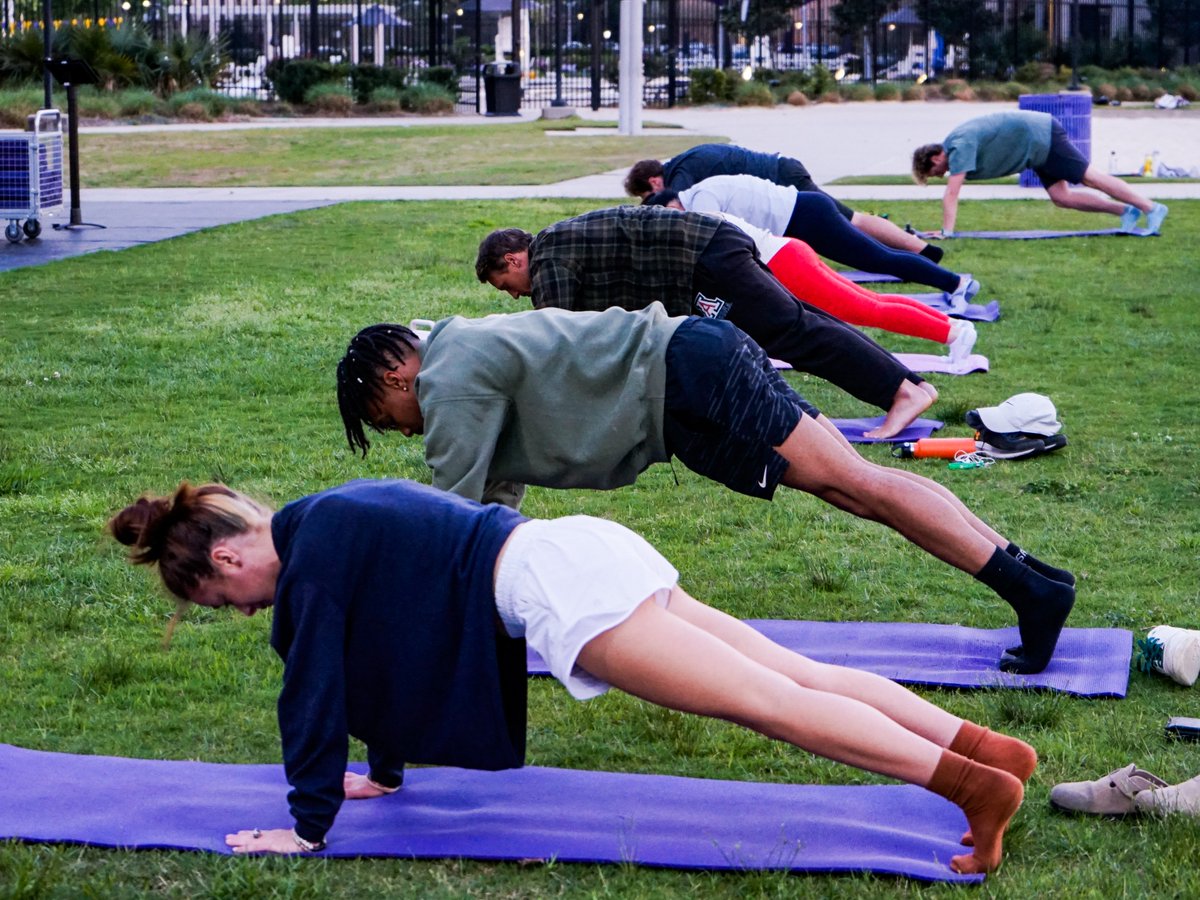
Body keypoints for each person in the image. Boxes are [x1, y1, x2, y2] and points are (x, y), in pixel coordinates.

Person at [109, 476, 1035, 873]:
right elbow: (380, 667)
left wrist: (307, 828)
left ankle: (972, 788)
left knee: (773, 705)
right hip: (581, 547)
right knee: (798, 671)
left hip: (555, 585)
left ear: (227, 563)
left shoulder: (311, 568)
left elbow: (312, 693)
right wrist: (384, 775)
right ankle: (985, 746)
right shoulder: (325, 520)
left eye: (232, 603)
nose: (249, 613)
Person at [335, 305, 1076, 675]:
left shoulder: (449, 377)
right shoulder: (465, 357)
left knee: (859, 486)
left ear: (396, 377)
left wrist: (410, 623)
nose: (401, 431)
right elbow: (490, 514)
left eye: (384, 417)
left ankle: (1029, 589)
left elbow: (451, 519)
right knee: (860, 487)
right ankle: (1032, 579)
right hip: (692, 367)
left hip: (689, 381)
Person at [474, 204, 938, 440]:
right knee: (798, 322)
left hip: (706, 258)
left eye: (507, 284)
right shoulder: (563, 243)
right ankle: (907, 385)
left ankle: (902, 392)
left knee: (791, 331)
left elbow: (556, 331)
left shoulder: (550, 251)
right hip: (706, 255)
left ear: (515, 259)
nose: (515, 295)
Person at [646, 201, 978, 360]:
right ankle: (952, 328)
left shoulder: (693, 221)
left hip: (784, 261)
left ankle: (952, 332)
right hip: (788, 252)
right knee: (869, 302)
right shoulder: (697, 216)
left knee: (865, 310)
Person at [643, 175, 979, 307]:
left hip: (805, 215)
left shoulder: (700, 200)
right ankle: (955, 282)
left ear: (670, 204)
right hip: (801, 213)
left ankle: (957, 283)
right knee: (874, 259)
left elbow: (714, 241)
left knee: (878, 259)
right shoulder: (699, 193)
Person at [625, 144, 946, 263]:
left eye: (649, 198)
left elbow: (686, 225)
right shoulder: (684, 162)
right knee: (851, 221)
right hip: (782, 174)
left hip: (784, 181)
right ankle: (919, 251)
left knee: (852, 223)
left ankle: (921, 252)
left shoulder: (680, 178)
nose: (656, 203)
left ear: (654, 182)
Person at [912, 110, 1168, 237]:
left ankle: (1151, 207)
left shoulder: (959, 146)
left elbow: (952, 193)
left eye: (935, 172)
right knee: (1062, 197)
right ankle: (1125, 211)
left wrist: (947, 232)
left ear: (936, 157)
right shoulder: (955, 144)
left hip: (1042, 136)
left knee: (1090, 177)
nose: (939, 175)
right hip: (1034, 149)